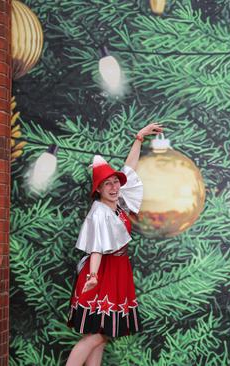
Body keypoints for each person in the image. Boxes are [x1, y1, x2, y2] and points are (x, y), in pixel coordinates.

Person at [65, 123, 163, 366]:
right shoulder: (99, 212)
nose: (114, 187)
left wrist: (139, 138)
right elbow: (96, 247)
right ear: (97, 189)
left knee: (98, 335)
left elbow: (129, 168)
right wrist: (95, 275)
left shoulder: (118, 203)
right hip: (102, 273)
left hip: (117, 271)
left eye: (115, 182)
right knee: (99, 333)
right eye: (107, 184)